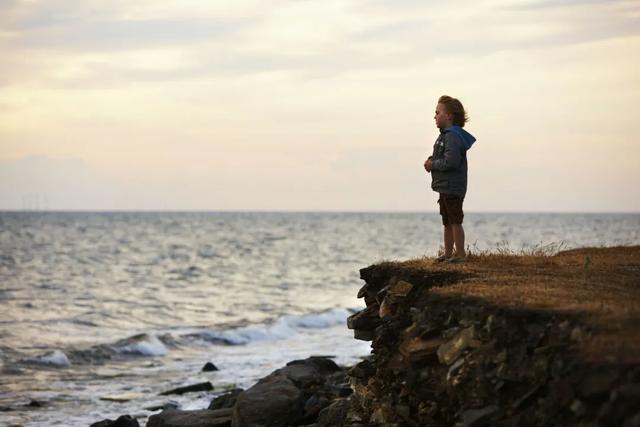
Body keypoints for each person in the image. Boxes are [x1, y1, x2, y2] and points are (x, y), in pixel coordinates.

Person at [424, 95, 476, 263]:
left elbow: (451, 162)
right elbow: (443, 156)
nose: (435, 116)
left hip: (453, 186)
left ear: (449, 116)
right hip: (445, 186)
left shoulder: (452, 136)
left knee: (455, 220)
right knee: (447, 221)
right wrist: (432, 160)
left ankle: (460, 254)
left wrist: (434, 165)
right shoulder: (445, 135)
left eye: (438, 113)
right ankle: (448, 254)